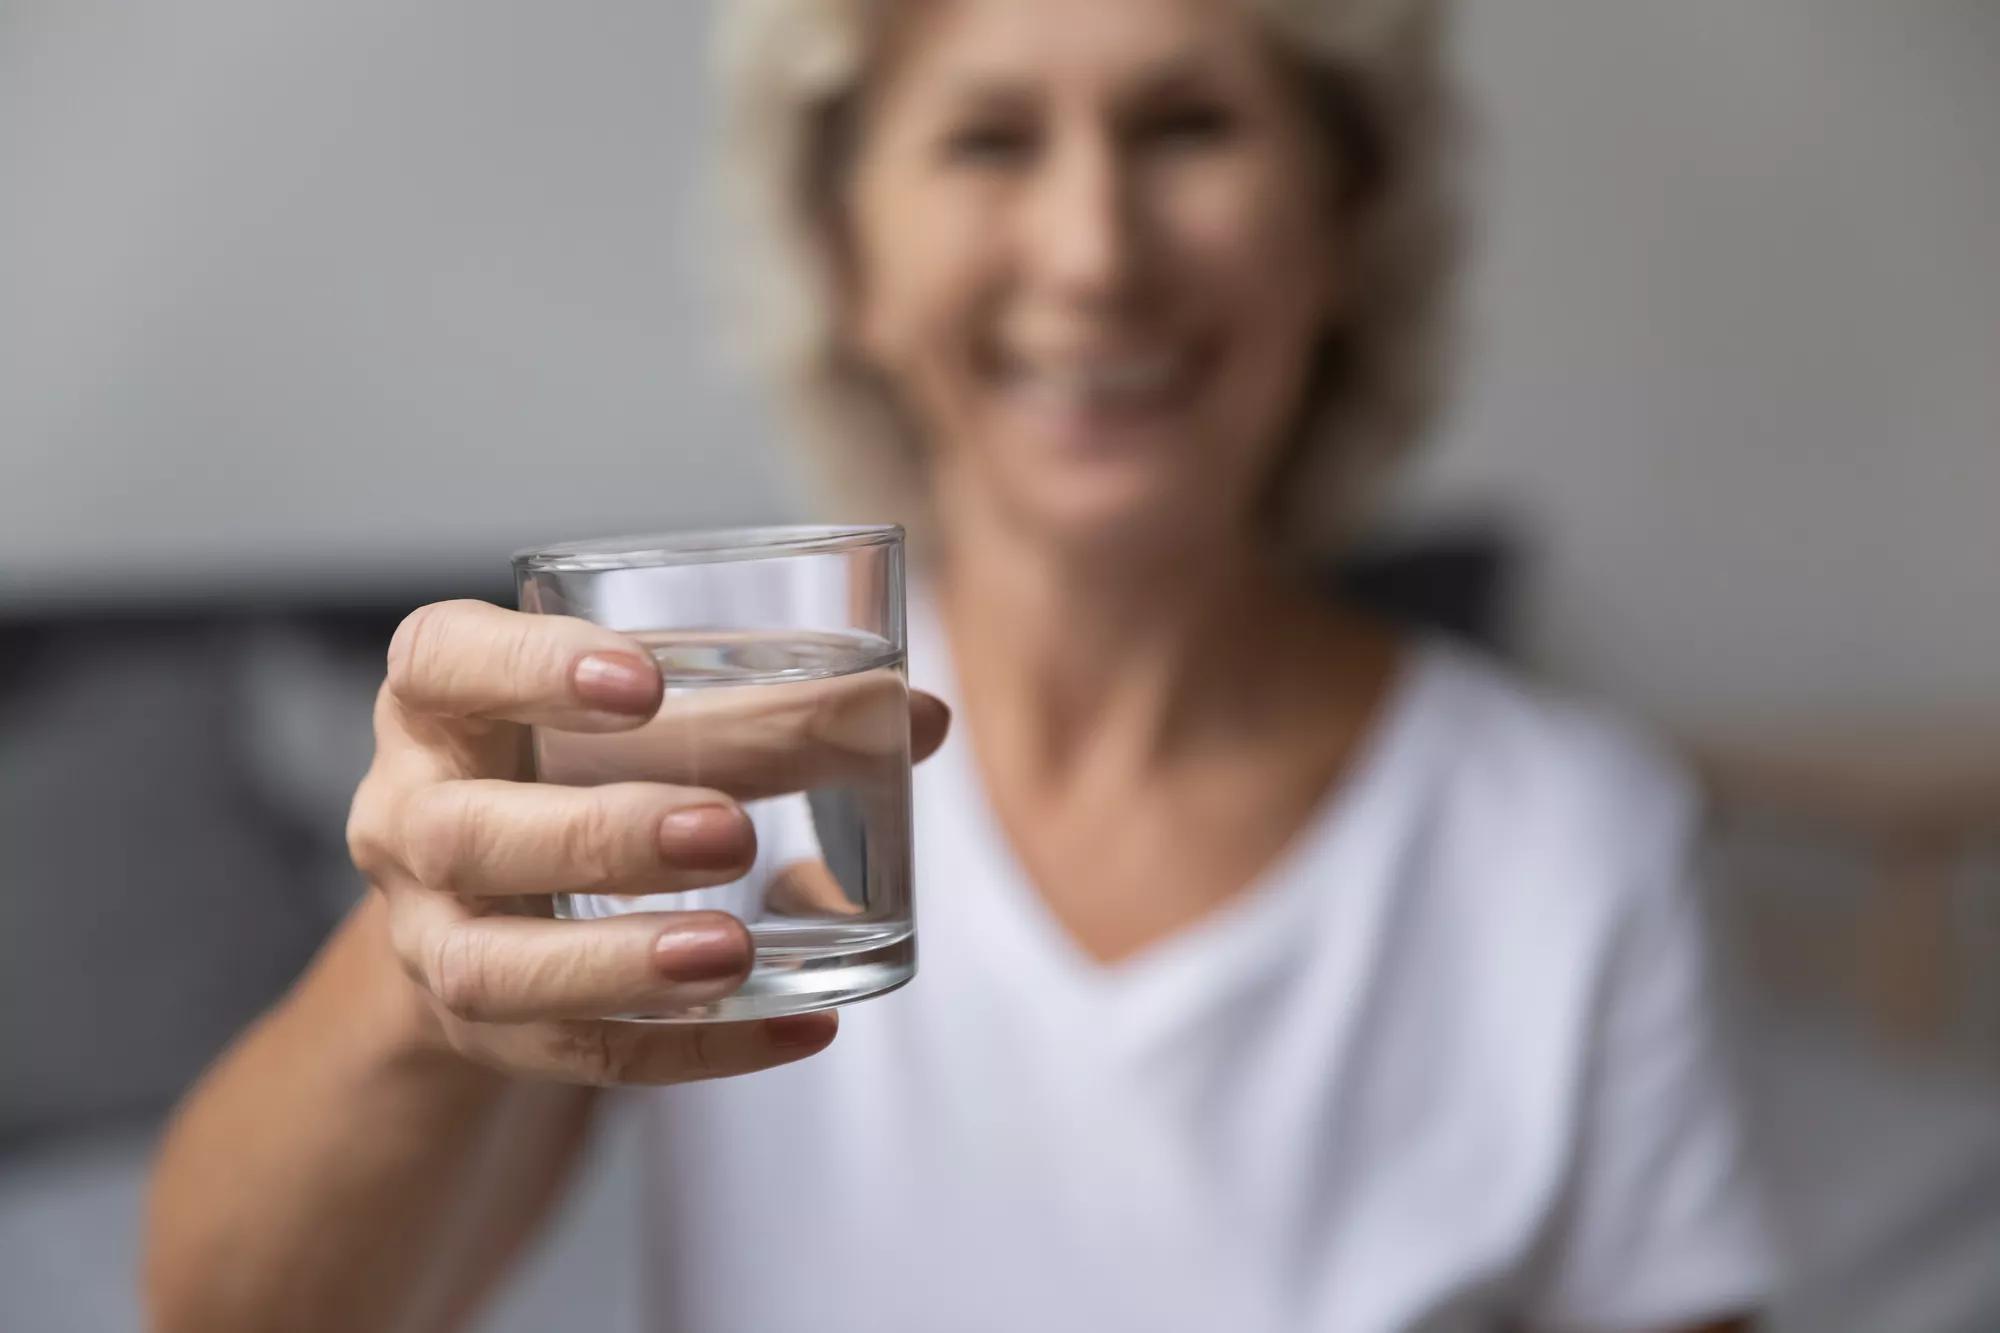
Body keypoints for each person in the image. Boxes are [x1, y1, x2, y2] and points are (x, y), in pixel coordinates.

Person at [146, 0, 1774, 1328]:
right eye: (991, 137)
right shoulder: (708, 782)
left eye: (1187, 125)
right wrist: (420, 968)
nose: (1091, 252)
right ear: (847, 253)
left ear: (1342, 224)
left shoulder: (1580, 839)